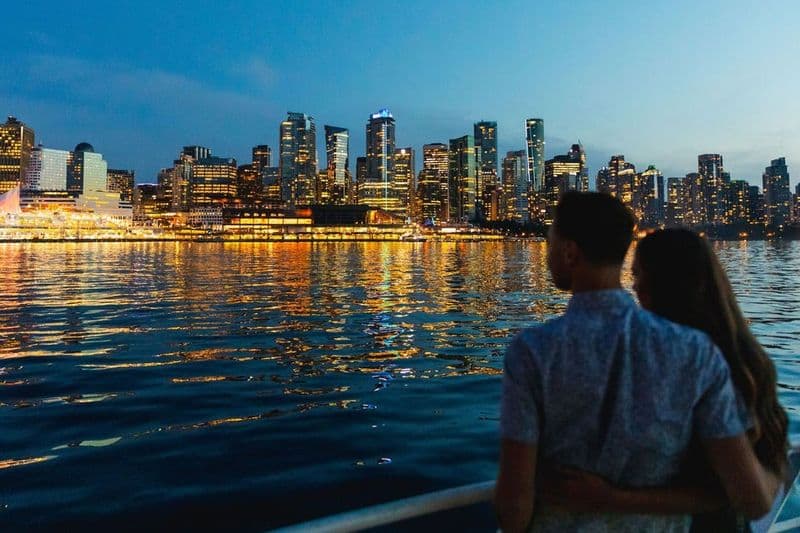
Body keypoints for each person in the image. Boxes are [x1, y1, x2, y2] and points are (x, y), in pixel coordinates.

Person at [494, 192, 781, 532]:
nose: (547, 255)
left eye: (550, 242)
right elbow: (751, 496)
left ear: (570, 253)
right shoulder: (695, 351)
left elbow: (514, 506)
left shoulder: (532, 352)